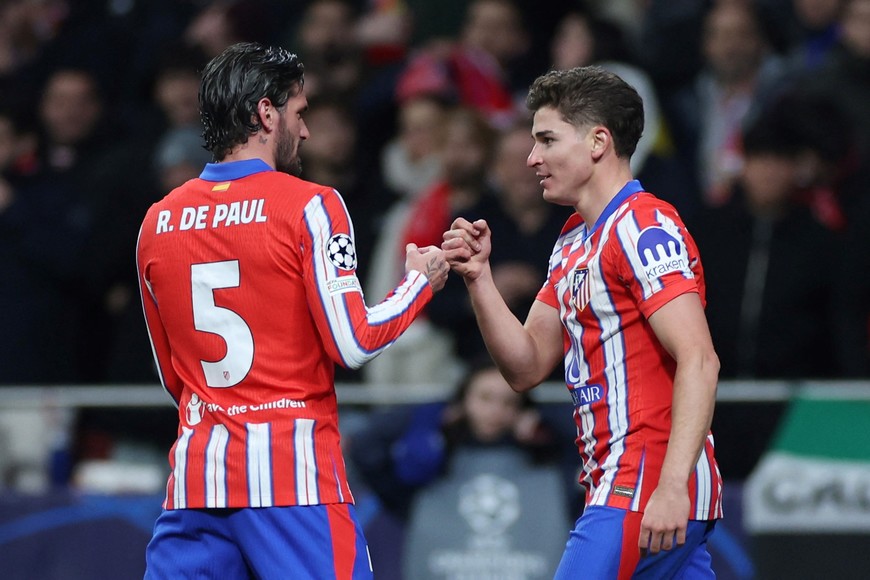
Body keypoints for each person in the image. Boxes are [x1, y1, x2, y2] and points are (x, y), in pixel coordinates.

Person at [136, 42, 449, 579]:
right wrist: (418, 283)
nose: (304, 131)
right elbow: (353, 342)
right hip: (294, 480)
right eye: (299, 113)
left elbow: (174, 376)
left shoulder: (157, 222)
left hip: (196, 480)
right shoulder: (310, 205)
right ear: (266, 113)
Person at [442, 66, 723, 578]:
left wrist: (671, 486)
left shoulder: (642, 225)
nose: (532, 158)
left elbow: (700, 359)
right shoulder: (572, 242)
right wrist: (480, 279)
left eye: (547, 140)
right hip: (627, 483)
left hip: (644, 482)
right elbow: (525, 366)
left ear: (598, 141)